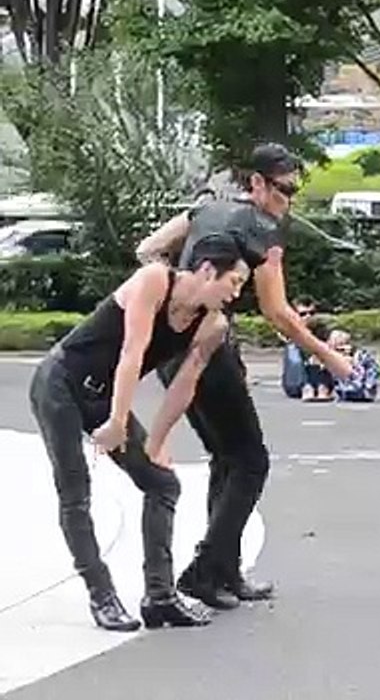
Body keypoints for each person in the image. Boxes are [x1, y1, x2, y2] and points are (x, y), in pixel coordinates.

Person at [134, 142, 354, 610]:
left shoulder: (206, 209)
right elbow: (279, 313)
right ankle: (204, 569)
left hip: (175, 343)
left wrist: (174, 294)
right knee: (251, 461)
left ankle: (225, 572)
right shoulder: (264, 229)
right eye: (282, 189)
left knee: (225, 457)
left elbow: (148, 249)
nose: (287, 200)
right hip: (209, 348)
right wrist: (328, 357)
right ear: (256, 182)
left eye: (294, 190)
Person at [30, 234, 249, 631]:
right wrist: (117, 422)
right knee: (76, 492)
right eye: (233, 282)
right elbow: (132, 353)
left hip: (103, 398)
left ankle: (160, 597)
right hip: (60, 382)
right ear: (205, 270)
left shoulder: (212, 323)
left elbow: (185, 383)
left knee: (163, 484)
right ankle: (102, 596)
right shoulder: (154, 281)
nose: (236, 294)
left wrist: (156, 441)